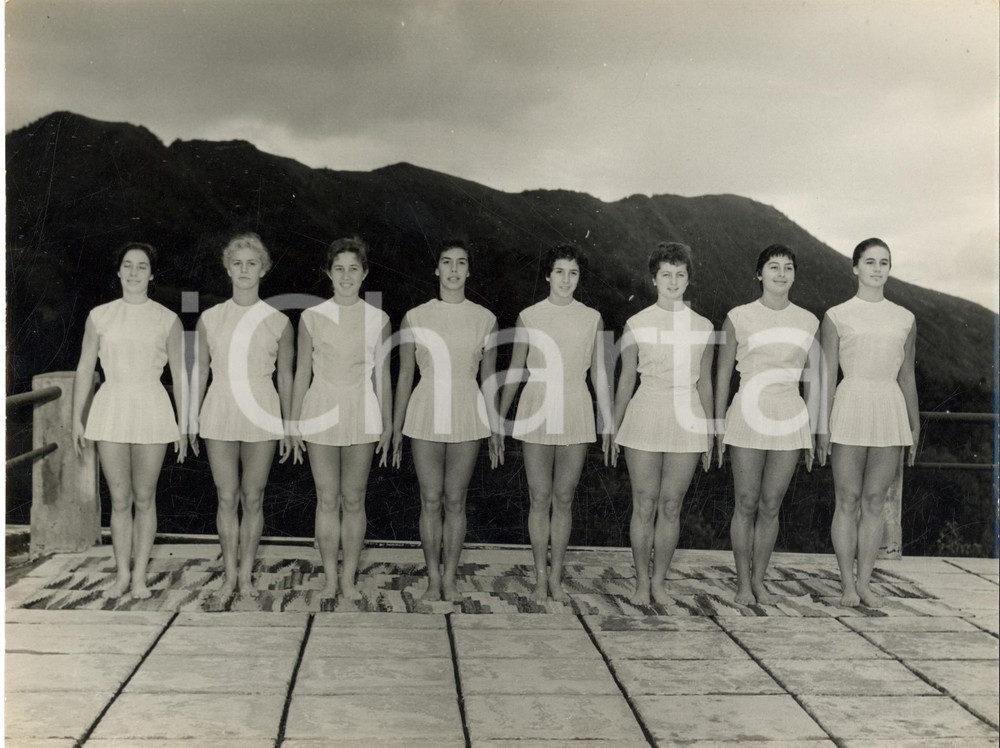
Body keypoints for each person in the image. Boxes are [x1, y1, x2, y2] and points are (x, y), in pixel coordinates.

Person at [498, 244, 613, 602]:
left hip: (575, 405)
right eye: (560, 271)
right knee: (539, 497)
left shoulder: (592, 317)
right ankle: (538, 577)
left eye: (573, 272)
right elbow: (516, 370)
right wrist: (500, 418)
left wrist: (607, 422)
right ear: (548, 274)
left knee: (564, 498)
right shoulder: (529, 316)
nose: (566, 279)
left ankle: (557, 579)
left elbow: (599, 374)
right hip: (536, 404)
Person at [72, 242, 187, 599]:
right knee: (119, 499)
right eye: (128, 265)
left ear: (151, 275)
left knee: (144, 497)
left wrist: (183, 425)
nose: (134, 272)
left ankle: (140, 578)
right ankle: (121, 574)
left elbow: (180, 375)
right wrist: (78, 418)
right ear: (119, 272)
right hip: (111, 406)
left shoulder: (167, 319)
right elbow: (85, 367)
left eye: (142, 267)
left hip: (152, 406)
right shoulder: (100, 316)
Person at [392, 239, 502, 602]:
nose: (453, 270)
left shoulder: (485, 318)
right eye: (446, 262)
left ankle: (451, 579)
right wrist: (395, 426)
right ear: (436, 270)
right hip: (425, 408)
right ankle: (432, 580)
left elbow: (488, 378)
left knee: (455, 499)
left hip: (467, 409)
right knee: (430, 499)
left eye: (461, 263)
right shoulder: (415, 316)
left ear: (469, 271)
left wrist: (495, 426)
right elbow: (405, 375)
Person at [715, 243, 819, 606]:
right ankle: (742, 583)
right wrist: (717, 425)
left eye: (788, 267)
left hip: (789, 412)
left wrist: (815, 428)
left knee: (771, 503)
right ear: (759, 274)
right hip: (747, 410)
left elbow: (812, 379)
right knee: (746, 501)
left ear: (794, 275)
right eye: (773, 267)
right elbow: (723, 373)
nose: (781, 273)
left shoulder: (808, 321)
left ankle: (759, 581)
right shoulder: (739, 316)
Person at [190, 233, 293, 599]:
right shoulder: (210, 318)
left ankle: (247, 575)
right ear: (227, 268)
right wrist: (191, 418)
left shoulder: (278, 321)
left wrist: (289, 427)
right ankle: (228, 575)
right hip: (219, 408)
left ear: (263, 269)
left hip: (263, 411)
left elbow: (285, 378)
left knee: (253, 497)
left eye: (252, 263)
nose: (244, 269)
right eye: (238, 263)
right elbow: (200, 373)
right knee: (226, 496)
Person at [817, 238, 919, 608]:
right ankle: (846, 584)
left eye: (884, 262)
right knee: (847, 498)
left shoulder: (905, 318)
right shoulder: (837, 315)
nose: (877, 269)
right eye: (870, 262)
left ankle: (865, 583)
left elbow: (907, 376)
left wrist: (914, 423)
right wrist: (822, 425)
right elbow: (827, 375)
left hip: (889, 407)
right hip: (849, 404)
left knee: (875, 500)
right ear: (855, 267)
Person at [612, 242, 715, 605]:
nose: (673, 281)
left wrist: (711, 430)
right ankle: (641, 583)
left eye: (680, 274)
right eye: (666, 274)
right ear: (654, 279)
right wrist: (614, 426)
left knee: (671, 505)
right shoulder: (636, 323)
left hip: (687, 417)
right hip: (645, 413)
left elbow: (705, 382)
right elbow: (626, 380)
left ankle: (659, 582)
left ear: (689, 279)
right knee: (644, 503)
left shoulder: (703, 326)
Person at [289, 238, 392, 600]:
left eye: (353, 269)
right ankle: (329, 579)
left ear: (364, 273)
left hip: (362, 410)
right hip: (319, 410)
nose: (346, 276)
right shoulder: (312, 318)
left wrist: (388, 424)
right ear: (328, 273)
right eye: (339, 269)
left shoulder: (378, 319)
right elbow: (302, 373)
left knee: (354, 498)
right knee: (326, 498)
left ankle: (349, 580)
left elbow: (383, 377)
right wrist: (293, 422)